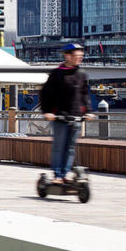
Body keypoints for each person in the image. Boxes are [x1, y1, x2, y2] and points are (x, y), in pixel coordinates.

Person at [40, 42, 91, 183]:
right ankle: (57, 175)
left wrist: (88, 111)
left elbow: (84, 95)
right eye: (76, 56)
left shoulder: (81, 74)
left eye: (81, 56)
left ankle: (65, 173)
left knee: (70, 148)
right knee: (59, 147)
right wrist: (47, 112)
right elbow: (45, 94)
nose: (79, 58)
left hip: (75, 116)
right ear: (67, 56)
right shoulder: (56, 74)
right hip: (59, 116)